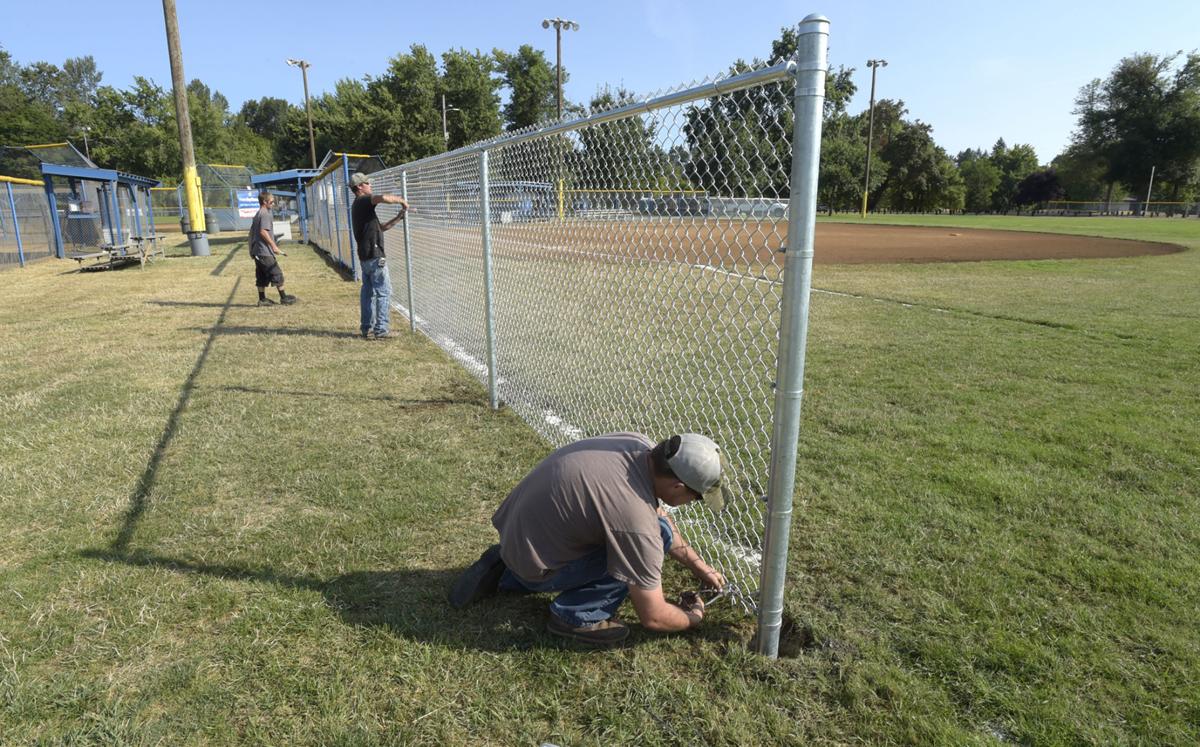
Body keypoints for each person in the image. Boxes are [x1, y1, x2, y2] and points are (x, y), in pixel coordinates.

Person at [449, 432, 729, 647]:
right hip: (538, 563)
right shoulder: (636, 523)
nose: (693, 502)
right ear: (678, 486)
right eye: (695, 498)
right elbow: (653, 616)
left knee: (657, 532)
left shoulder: (636, 444)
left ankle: (504, 570)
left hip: (518, 536)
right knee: (650, 542)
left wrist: (699, 566)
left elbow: (660, 515)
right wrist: (692, 617)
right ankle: (576, 617)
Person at [349, 172, 408, 340]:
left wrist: (398, 217)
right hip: (374, 256)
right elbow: (382, 198)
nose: (370, 186)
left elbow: (380, 228)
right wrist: (402, 200)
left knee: (368, 293)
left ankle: (366, 327)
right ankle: (381, 329)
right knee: (383, 292)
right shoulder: (363, 200)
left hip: (366, 256)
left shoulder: (358, 206)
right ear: (360, 187)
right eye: (368, 183)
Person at [248, 191, 297, 307]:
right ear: (265, 202)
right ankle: (284, 298)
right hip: (264, 251)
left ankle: (262, 299)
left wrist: (251, 250)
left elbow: (251, 233)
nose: (273, 203)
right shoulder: (265, 214)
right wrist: (274, 246)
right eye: (272, 201)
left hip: (258, 251)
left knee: (261, 275)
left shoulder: (258, 214)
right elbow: (263, 232)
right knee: (276, 273)